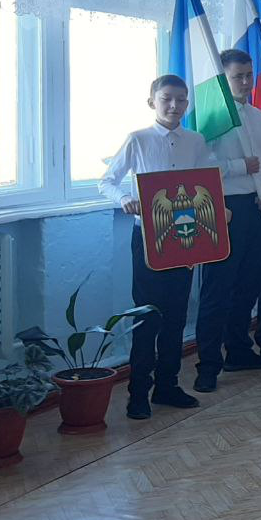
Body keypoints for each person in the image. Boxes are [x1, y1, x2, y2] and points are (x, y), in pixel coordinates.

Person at [99, 75, 215, 420]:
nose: (174, 105)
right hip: (149, 239)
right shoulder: (138, 139)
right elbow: (107, 181)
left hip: (185, 238)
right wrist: (124, 198)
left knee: (177, 315)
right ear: (152, 102)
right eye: (166, 98)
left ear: (187, 103)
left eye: (181, 99)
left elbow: (207, 182)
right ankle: (138, 393)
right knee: (148, 315)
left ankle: (167, 385)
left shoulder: (195, 141)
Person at [194, 49, 261, 394]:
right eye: (237, 77)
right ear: (223, 78)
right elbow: (200, 165)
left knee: (250, 284)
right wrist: (238, 166)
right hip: (223, 207)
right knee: (218, 289)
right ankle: (208, 365)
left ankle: (239, 350)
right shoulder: (212, 118)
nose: (245, 82)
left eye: (248, 75)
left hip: (256, 207)